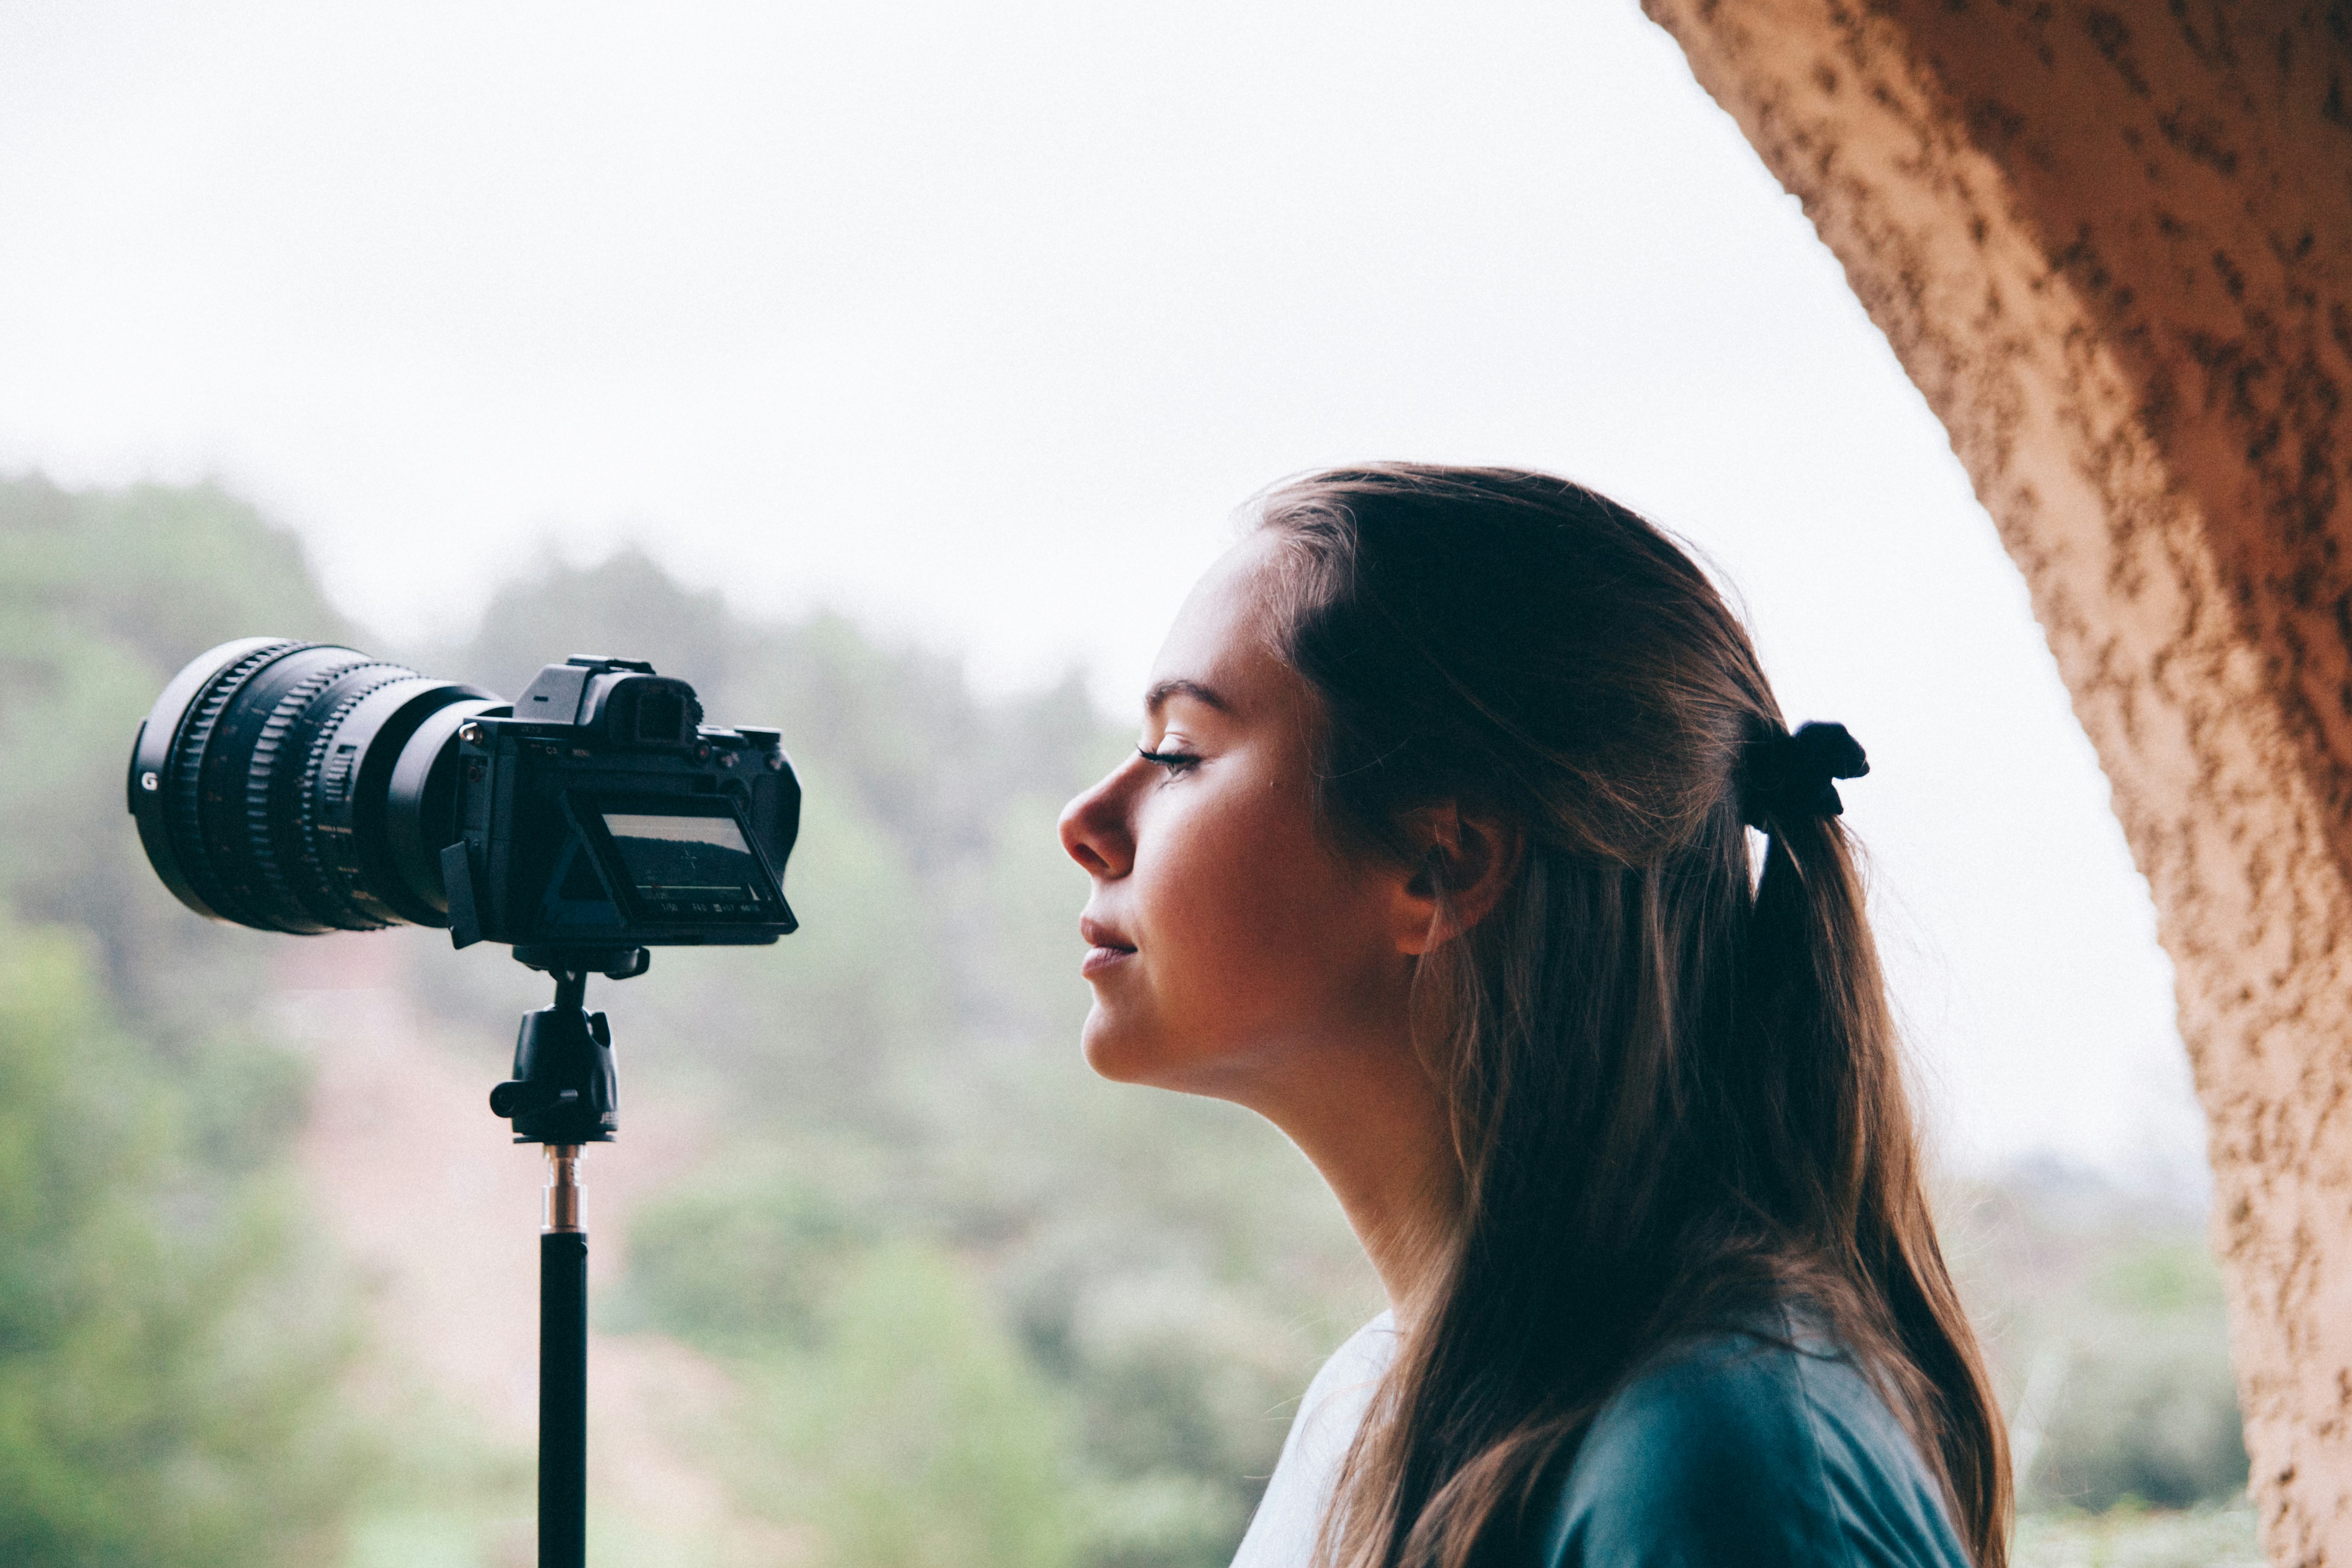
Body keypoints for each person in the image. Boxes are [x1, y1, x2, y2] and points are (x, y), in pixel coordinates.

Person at [1058, 466, 2009, 1568]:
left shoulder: (1717, 1464)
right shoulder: (1381, 1402)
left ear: (1440, 862)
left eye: (1179, 752)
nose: (1087, 821)